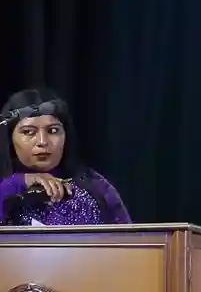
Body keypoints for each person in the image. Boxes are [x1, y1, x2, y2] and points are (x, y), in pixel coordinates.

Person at [0, 90, 130, 226]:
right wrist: (16, 184)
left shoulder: (95, 187)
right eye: (28, 132)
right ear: (9, 138)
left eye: (53, 131)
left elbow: (128, 237)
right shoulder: (5, 185)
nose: (42, 141)